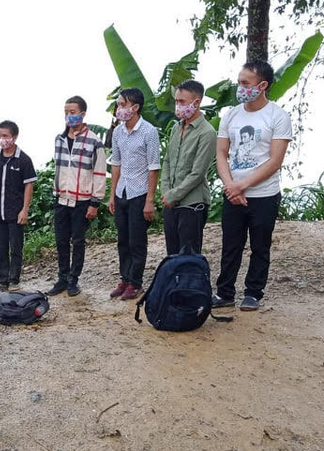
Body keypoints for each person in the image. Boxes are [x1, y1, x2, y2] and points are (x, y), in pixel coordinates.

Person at [213, 60, 293, 311]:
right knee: (230, 245)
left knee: (260, 245)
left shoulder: (278, 117)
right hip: (232, 192)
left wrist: (242, 185)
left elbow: (275, 161)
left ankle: (253, 293)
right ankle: (224, 292)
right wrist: (230, 186)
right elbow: (221, 154)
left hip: (264, 194)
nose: (240, 88)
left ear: (263, 85)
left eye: (245, 83)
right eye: (239, 82)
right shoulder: (231, 115)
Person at [47, 96, 106, 297]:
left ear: (82, 113)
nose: (69, 116)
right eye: (66, 113)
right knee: (61, 241)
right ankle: (62, 278)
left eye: (72, 112)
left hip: (82, 201)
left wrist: (95, 202)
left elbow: (99, 173)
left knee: (78, 240)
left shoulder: (94, 141)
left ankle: (74, 279)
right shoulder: (60, 139)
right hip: (62, 198)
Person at [108, 88, 161, 300]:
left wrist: (150, 200)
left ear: (135, 107)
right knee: (123, 239)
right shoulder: (118, 132)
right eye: (118, 104)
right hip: (122, 191)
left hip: (139, 193)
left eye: (122, 104)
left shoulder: (149, 131)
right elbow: (116, 164)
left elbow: (153, 167)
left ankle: (136, 282)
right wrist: (112, 195)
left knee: (136, 240)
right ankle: (125, 278)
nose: (119, 109)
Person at [160, 80, 217, 255]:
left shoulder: (207, 132)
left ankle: (188, 283)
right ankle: (173, 283)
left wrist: (173, 195)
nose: (178, 106)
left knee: (189, 254)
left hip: (192, 203)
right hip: (170, 203)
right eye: (176, 101)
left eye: (182, 102)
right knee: (172, 252)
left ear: (197, 102)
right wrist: (165, 191)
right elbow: (168, 161)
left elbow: (198, 173)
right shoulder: (176, 128)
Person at [0, 120, 37, 292]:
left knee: (15, 247)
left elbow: (29, 185)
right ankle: (2, 280)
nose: (2, 139)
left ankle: (14, 280)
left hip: (15, 212)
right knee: (1, 247)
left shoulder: (23, 160)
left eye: (5, 136)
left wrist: (25, 209)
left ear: (14, 137)